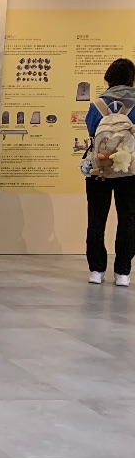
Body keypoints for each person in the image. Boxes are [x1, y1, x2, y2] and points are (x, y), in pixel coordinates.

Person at [85, 58, 135, 287]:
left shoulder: (97, 104)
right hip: (129, 170)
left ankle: (96, 270)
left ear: (108, 78)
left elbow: (91, 131)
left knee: (96, 218)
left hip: (100, 168)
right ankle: (122, 272)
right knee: (128, 219)